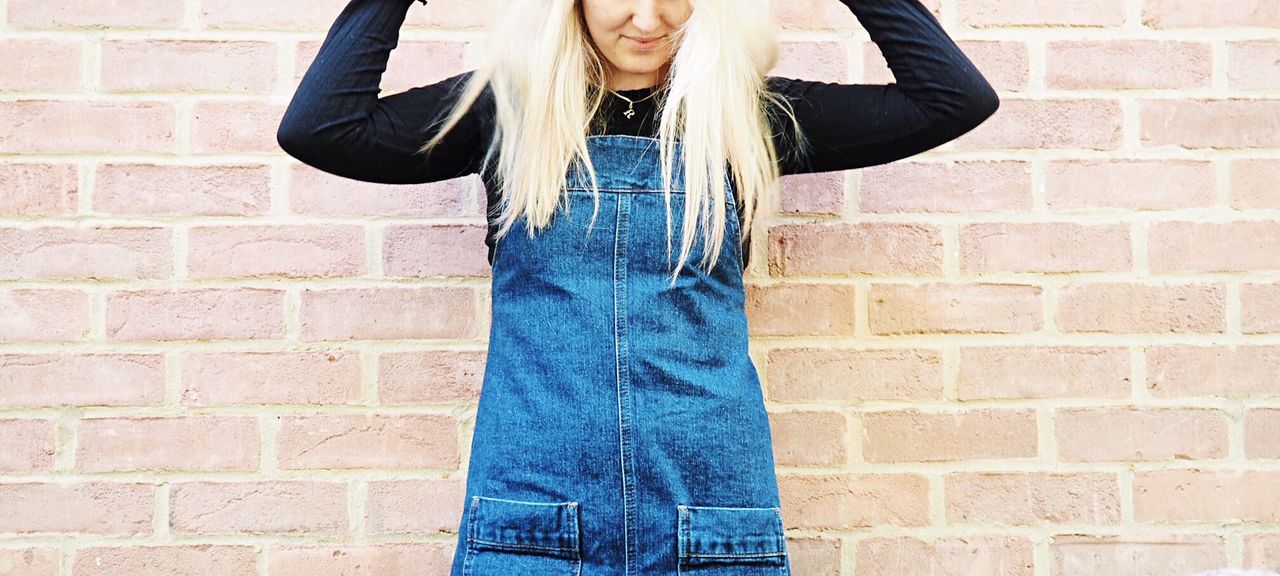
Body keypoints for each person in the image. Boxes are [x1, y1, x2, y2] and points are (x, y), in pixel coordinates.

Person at [277, 0, 998, 574]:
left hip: (713, 524)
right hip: (533, 526)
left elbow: (952, 99)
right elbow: (321, 126)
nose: (649, 19)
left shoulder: (745, 116)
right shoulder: (506, 114)